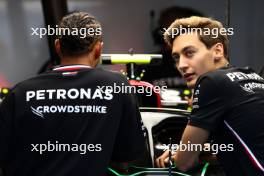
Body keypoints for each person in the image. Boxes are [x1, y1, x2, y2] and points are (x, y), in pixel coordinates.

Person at [0, 11, 145, 176]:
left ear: (58, 47)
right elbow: (130, 152)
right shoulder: (117, 86)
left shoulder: (19, 93)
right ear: (98, 49)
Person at [155, 16, 264, 176]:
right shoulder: (252, 76)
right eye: (177, 57)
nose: (181, 65)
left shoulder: (211, 81)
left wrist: (177, 156)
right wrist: (200, 152)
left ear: (218, 51)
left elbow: (185, 163)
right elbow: (242, 147)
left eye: (189, 53)